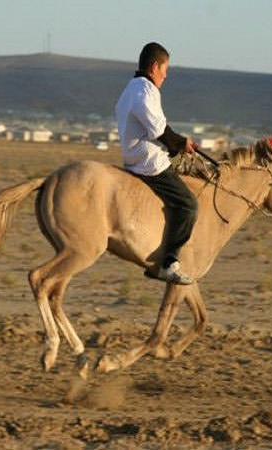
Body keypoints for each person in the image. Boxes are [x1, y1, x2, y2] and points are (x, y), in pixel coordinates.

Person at [115, 42, 199, 285]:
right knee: (188, 205)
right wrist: (181, 143)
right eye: (165, 69)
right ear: (154, 67)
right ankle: (169, 262)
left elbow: (157, 128)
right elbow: (157, 129)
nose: (166, 75)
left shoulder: (131, 88)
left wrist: (179, 143)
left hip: (134, 157)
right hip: (147, 161)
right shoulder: (145, 90)